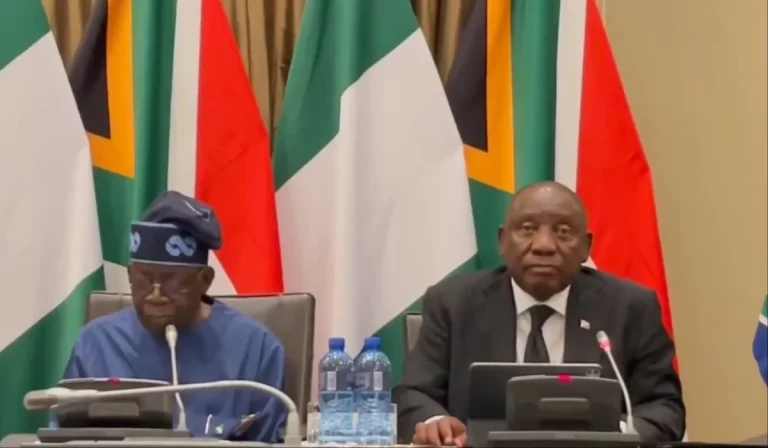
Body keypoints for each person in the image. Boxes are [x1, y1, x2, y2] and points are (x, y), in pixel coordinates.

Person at [395, 181, 685, 446]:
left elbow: (664, 407)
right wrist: (435, 423)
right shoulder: (453, 303)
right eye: (527, 229)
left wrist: (615, 435)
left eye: (563, 232)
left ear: (586, 247)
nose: (544, 246)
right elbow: (414, 393)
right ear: (502, 241)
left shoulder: (630, 307)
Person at [59, 191, 288, 442]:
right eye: (143, 280)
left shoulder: (257, 349)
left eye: (171, 282)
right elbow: (63, 438)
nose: (155, 295)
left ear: (205, 281)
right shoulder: (97, 344)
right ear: (130, 276)